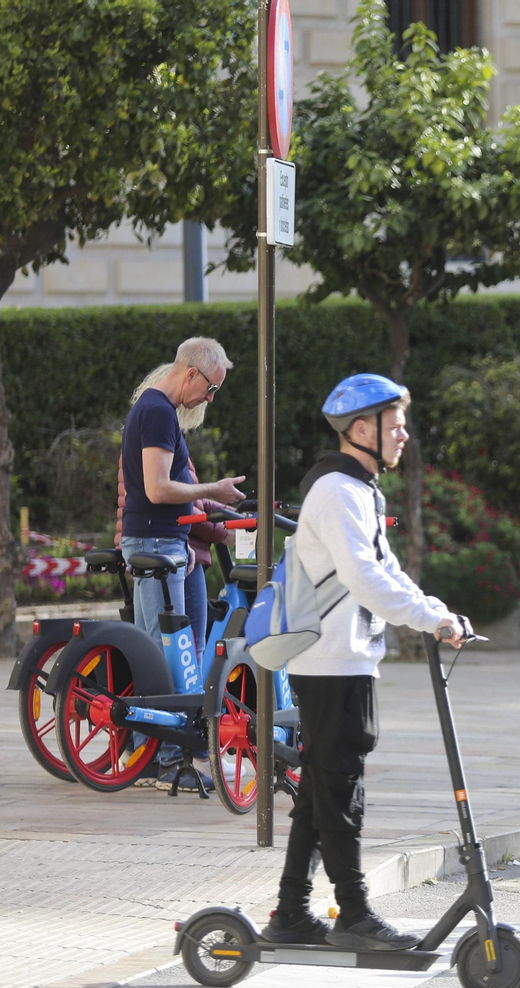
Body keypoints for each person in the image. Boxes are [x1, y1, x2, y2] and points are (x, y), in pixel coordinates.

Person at [265, 374, 468, 950]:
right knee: (340, 787)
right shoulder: (336, 492)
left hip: (344, 658)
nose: (404, 434)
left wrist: (437, 611)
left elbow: (387, 571)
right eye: (394, 424)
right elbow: (364, 577)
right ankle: (352, 916)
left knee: (320, 789)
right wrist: (428, 619)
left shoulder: (359, 489)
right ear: (361, 429)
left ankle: (289, 915)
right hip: (329, 661)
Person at [115, 362, 229, 652]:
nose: (209, 397)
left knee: (159, 649)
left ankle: (167, 697)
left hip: (161, 540)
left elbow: (178, 498)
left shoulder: (152, 416)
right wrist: (222, 516)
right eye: (210, 388)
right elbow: (160, 491)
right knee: (171, 649)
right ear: (190, 375)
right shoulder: (159, 416)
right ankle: (175, 698)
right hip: (158, 543)